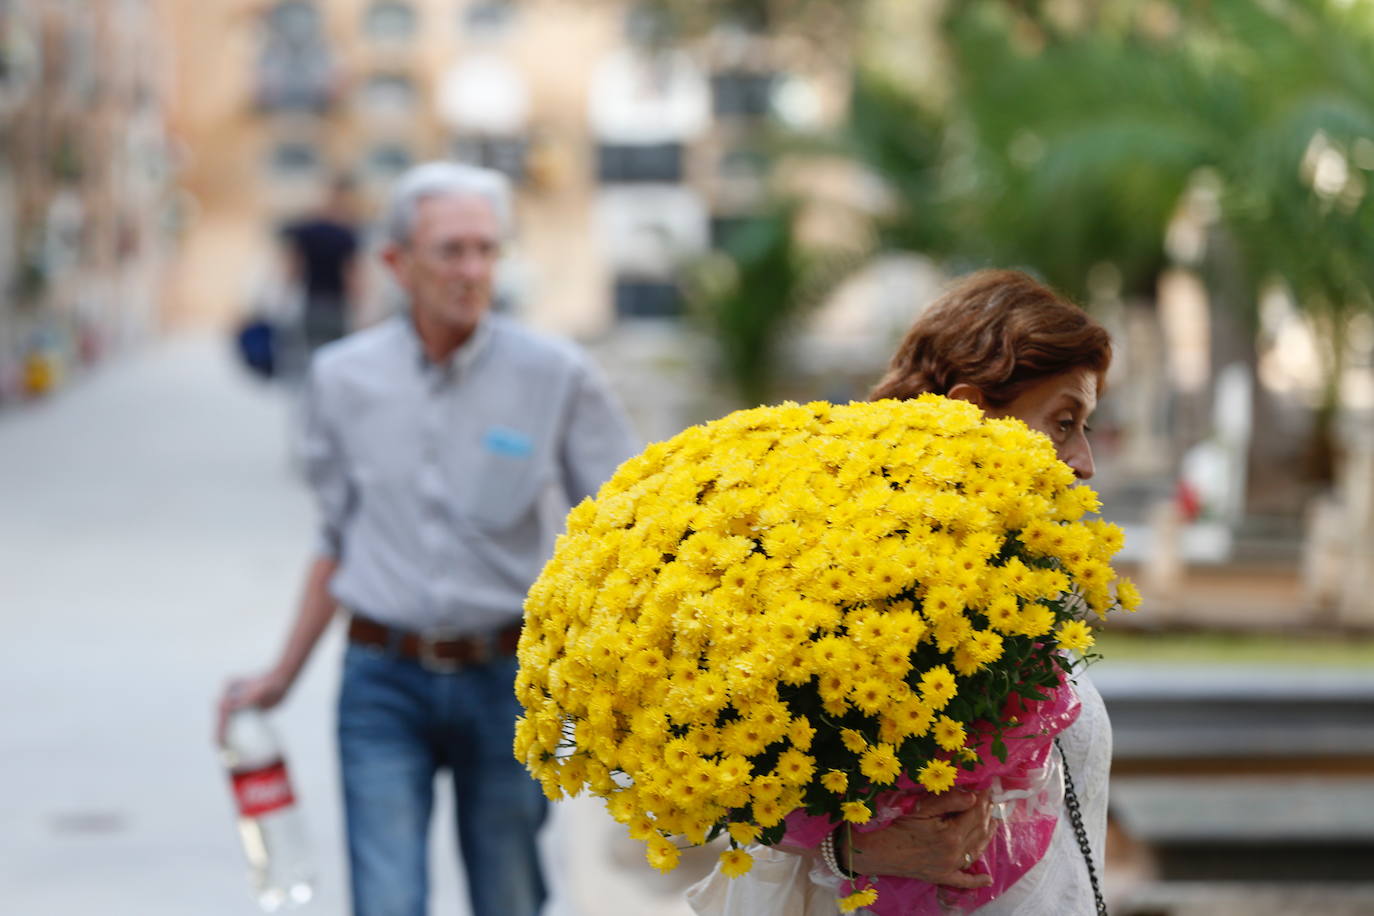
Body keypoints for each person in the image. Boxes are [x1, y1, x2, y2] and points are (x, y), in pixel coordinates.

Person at [218, 161, 639, 916]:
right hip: (380, 678)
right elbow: (337, 540)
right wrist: (280, 675)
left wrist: (617, 675)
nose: (472, 269)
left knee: (510, 896)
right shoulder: (342, 379)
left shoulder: (556, 374)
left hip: (509, 682)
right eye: (450, 250)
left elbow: (624, 530)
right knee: (386, 899)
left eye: (486, 249)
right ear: (395, 263)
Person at [687, 268, 1114, 915]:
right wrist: (848, 849)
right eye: (1063, 422)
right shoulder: (836, 584)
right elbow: (754, 772)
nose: (1082, 459)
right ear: (972, 413)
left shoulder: (1015, 586)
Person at [280, 175, 363, 364]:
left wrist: (285, 298)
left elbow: (293, 269)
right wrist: (359, 307)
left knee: (313, 354)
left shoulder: (307, 230)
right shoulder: (346, 234)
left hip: (313, 301)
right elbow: (352, 275)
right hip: (336, 303)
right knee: (336, 356)